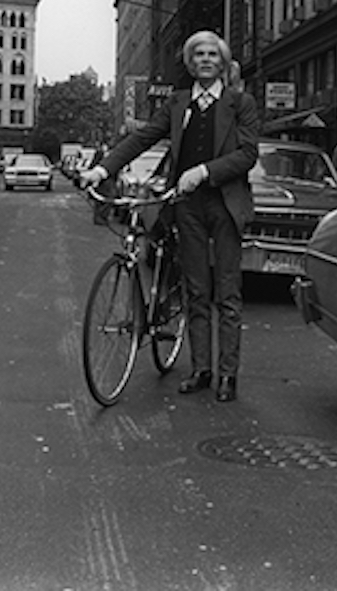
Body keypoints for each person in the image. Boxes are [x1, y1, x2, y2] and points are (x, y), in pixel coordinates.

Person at [81, 30, 259, 402]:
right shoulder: (178, 104)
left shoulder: (240, 103)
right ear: (191, 63)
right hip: (187, 206)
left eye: (213, 54)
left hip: (225, 203)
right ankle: (201, 369)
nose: (206, 59)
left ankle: (228, 375)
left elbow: (247, 155)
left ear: (222, 63)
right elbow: (141, 139)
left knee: (227, 292)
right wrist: (104, 169)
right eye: (199, 54)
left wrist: (203, 172)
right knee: (196, 289)